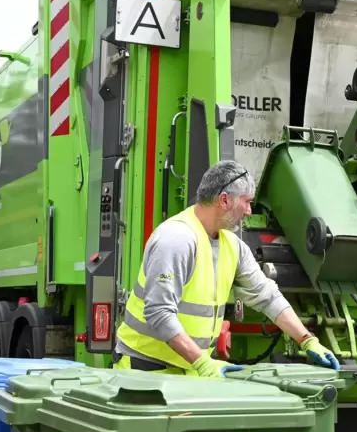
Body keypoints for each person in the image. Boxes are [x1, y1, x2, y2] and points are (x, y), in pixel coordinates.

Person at [112, 160, 340, 378]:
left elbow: (268, 297)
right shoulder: (177, 239)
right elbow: (159, 313)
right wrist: (202, 362)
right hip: (144, 371)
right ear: (224, 201)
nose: (250, 211)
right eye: (247, 201)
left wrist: (307, 340)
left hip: (189, 370)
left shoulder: (232, 246)